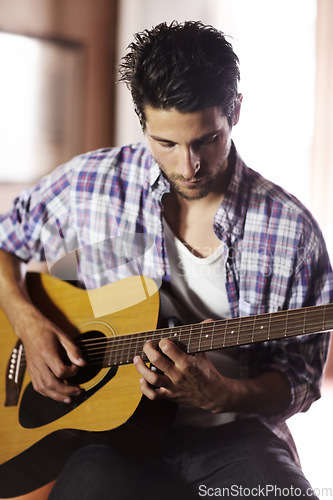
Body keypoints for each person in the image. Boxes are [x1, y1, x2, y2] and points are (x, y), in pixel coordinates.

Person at [0, 20, 331, 499]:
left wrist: (225, 393)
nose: (187, 166)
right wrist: (27, 321)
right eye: (167, 143)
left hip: (235, 436)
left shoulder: (292, 231)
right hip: (109, 439)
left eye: (207, 140)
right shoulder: (90, 184)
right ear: (142, 120)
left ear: (235, 110)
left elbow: (300, 376)